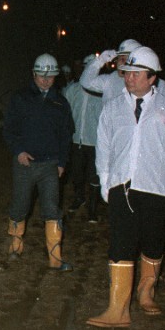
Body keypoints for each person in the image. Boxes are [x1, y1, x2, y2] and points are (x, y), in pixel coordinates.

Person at [87, 46, 165, 327]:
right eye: (127, 73)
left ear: (152, 78)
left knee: (153, 243)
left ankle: (146, 293)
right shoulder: (113, 108)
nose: (129, 78)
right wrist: (105, 178)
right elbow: (104, 145)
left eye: (137, 74)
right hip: (122, 185)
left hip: (157, 187)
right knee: (121, 244)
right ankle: (118, 310)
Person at [3, 53, 74, 272]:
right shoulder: (20, 98)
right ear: (33, 74)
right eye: (41, 76)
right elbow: (8, 130)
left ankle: (55, 257)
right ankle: (15, 246)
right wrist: (18, 151)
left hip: (50, 165)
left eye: (50, 76)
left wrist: (62, 162)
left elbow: (65, 135)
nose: (45, 80)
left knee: (52, 208)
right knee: (20, 205)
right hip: (25, 164)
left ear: (55, 77)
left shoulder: (60, 102)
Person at [64, 54, 104, 221]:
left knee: (94, 176)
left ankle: (92, 208)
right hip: (76, 140)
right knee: (77, 173)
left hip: (94, 142)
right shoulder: (72, 90)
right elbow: (65, 115)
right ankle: (79, 197)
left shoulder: (103, 93)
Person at [80, 38, 165, 104]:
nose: (119, 64)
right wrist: (100, 60)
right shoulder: (110, 80)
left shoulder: (158, 84)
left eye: (124, 60)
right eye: (119, 59)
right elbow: (85, 82)